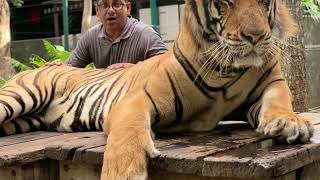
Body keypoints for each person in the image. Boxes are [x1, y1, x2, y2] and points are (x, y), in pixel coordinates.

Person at [64, 0, 167, 69]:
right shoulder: (91, 37)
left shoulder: (146, 35)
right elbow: (71, 67)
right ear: (97, 11)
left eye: (117, 4)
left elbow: (167, 68)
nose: (110, 10)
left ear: (128, 8)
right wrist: (57, 68)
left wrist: (135, 69)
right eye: (104, 5)